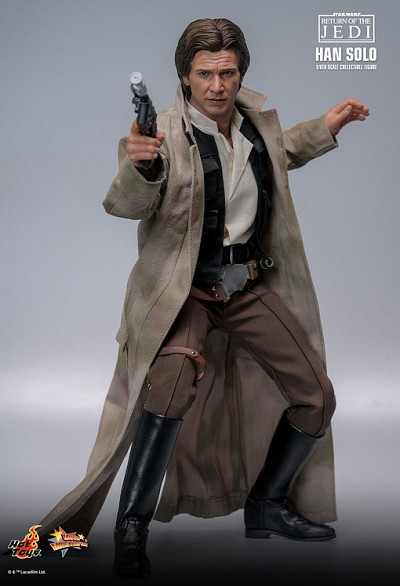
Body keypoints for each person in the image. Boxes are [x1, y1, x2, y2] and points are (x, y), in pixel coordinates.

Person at [33, 17, 369, 578]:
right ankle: (131, 526)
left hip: (245, 286)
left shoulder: (255, 127)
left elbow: (280, 152)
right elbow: (125, 203)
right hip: (186, 292)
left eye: (228, 73)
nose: (217, 85)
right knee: (167, 390)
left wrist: (326, 127)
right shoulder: (162, 135)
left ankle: (268, 504)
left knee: (315, 396)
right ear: (185, 77)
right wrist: (140, 164)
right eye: (205, 74)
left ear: (240, 74)